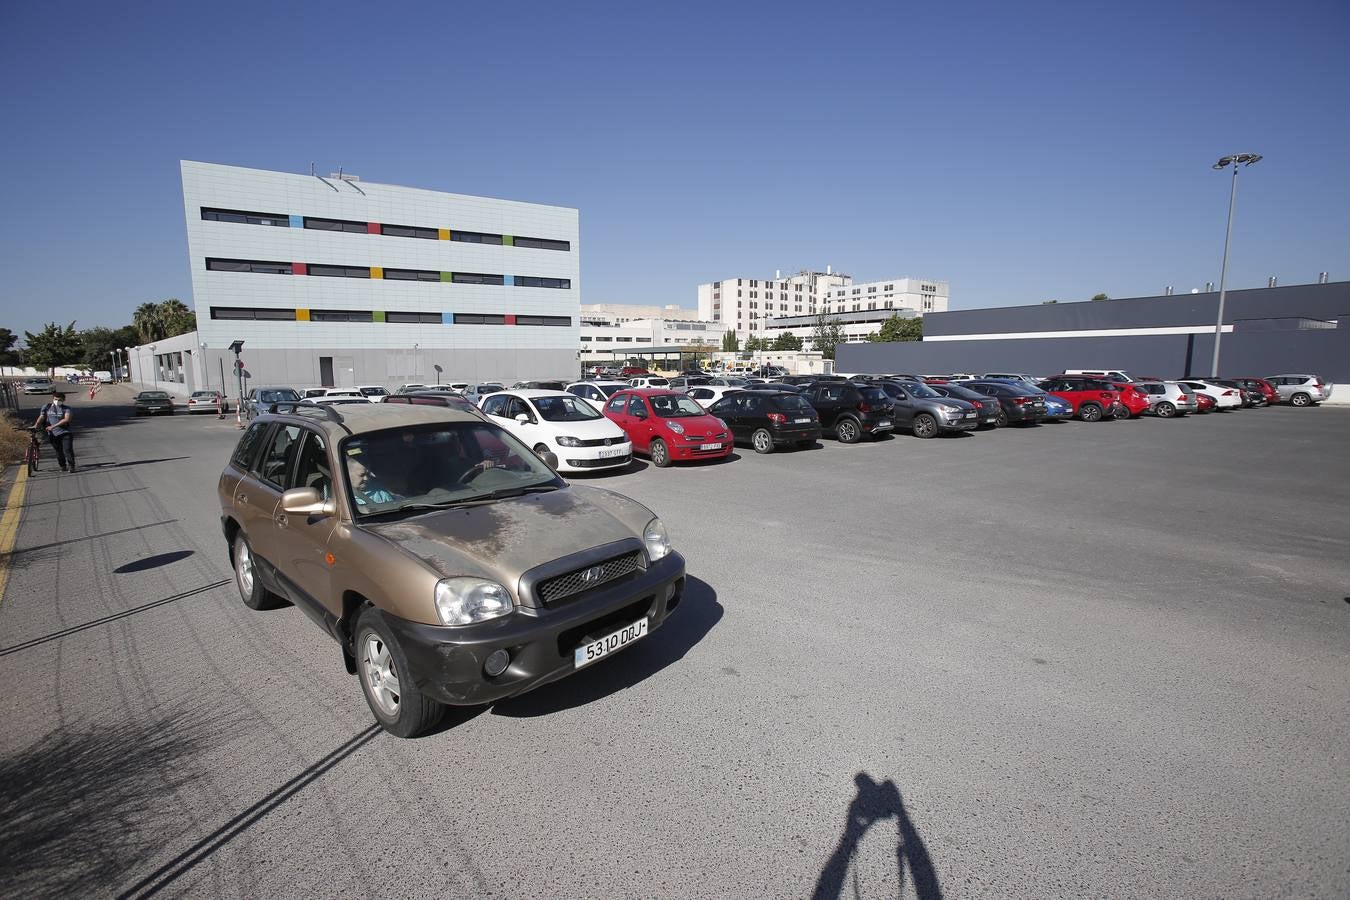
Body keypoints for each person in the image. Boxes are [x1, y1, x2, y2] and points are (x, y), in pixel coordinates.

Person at [34, 390, 75, 472]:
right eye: (55, 399)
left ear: (63, 400)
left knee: (67, 450)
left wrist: (53, 426)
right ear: (53, 399)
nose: (57, 401)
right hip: (53, 434)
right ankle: (63, 466)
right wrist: (36, 425)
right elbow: (42, 417)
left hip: (65, 433)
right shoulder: (46, 407)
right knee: (58, 451)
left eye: (59, 400)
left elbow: (66, 419)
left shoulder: (67, 409)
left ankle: (71, 466)